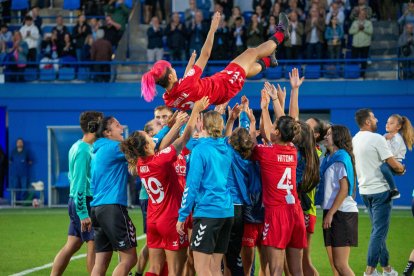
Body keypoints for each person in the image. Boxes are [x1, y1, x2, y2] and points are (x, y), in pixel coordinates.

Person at [121, 97, 209, 276]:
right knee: (175, 271)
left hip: (153, 219)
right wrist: (195, 111)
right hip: (170, 219)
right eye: (150, 138)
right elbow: (185, 137)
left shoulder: (140, 163)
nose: (154, 138)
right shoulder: (160, 160)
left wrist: (171, 125)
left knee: (154, 269)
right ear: (147, 146)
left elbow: (161, 142)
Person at [141, 11, 290, 109]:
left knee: (244, 70)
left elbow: (185, 86)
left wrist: (190, 64)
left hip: (219, 94)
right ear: (170, 76)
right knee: (252, 52)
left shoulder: (168, 99)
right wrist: (212, 29)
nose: (173, 68)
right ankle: (282, 33)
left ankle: (270, 61)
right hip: (225, 84)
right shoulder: (185, 84)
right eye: (171, 68)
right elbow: (205, 55)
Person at [252, 89, 306, 275]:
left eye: (275, 125)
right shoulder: (292, 150)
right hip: (296, 212)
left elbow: (263, 137)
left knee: (275, 270)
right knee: (296, 270)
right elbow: (279, 130)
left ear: (277, 131)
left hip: (277, 213)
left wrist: (264, 109)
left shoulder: (266, 153)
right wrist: (273, 103)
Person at [176, 110, 235, 276]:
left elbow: (192, 185)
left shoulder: (200, 150)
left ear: (201, 124)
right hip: (226, 212)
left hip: (208, 212)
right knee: (216, 268)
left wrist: (182, 215)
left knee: (202, 269)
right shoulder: (226, 146)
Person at [352, 108, 405, 276]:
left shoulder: (354, 139)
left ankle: (387, 269)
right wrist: (402, 169)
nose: (377, 120)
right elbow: (393, 164)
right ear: (367, 121)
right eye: (374, 118)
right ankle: (369, 272)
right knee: (379, 233)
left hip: (365, 192)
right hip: (381, 192)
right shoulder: (376, 138)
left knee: (377, 231)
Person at [51, 111, 103, 276]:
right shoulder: (82, 150)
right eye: (101, 123)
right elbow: (79, 182)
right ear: (93, 126)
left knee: (72, 244)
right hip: (83, 202)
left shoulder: (78, 146)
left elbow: (72, 177)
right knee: (93, 244)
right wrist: (83, 213)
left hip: (77, 200)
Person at [90, 116, 137, 276]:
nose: (122, 128)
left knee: (100, 263)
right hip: (112, 208)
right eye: (117, 125)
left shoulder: (99, 149)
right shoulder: (114, 147)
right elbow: (145, 147)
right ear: (108, 132)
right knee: (129, 259)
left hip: (97, 209)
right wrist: (169, 127)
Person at [321, 125, 358, 276]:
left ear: (338, 137)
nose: (325, 136)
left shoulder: (341, 157)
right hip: (333, 211)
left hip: (341, 213)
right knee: (337, 265)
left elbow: (344, 189)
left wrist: (331, 213)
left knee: (341, 265)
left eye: (329, 134)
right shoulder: (328, 158)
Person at [380, 114, 414, 199]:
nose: (387, 124)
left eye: (391, 123)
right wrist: (385, 138)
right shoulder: (385, 135)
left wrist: (386, 140)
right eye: (387, 122)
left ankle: (394, 190)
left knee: (384, 167)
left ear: (398, 127)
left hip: (395, 162)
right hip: (387, 161)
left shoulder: (397, 138)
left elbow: (391, 153)